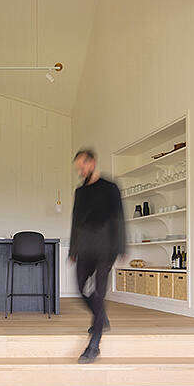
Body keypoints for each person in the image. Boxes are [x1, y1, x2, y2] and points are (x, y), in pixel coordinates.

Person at [69, 148, 125, 363]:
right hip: (85, 247)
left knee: (99, 293)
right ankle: (100, 315)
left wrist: (120, 246)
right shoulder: (80, 192)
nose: (80, 170)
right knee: (80, 287)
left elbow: (119, 217)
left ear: (92, 162)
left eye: (82, 165)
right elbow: (76, 221)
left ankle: (94, 345)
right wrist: (73, 250)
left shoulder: (110, 188)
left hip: (106, 247)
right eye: (78, 168)